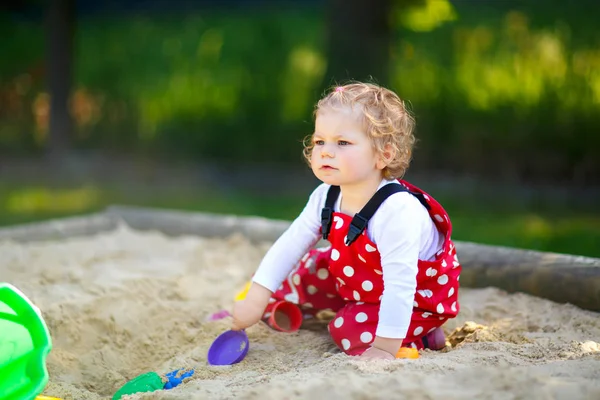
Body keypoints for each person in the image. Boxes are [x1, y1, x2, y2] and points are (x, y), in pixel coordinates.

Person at [231, 82, 461, 360]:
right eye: (319, 141)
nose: (326, 151)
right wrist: (256, 298)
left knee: (347, 330)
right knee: (305, 269)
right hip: (357, 279)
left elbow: (401, 284)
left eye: (342, 142)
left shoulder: (397, 210)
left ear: (383, 155)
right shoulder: (326, 195)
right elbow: (291, 244)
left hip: (415, 299)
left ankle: (417, 335)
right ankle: (285, 307)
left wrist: (384, 348)